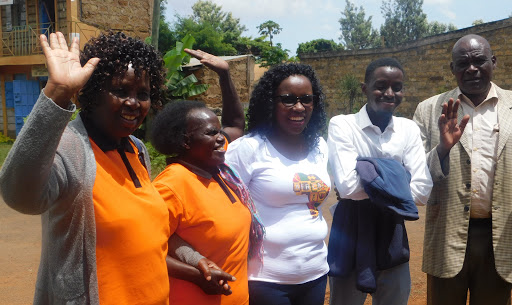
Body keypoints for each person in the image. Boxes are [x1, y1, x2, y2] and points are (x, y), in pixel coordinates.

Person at [0, 31, 222, 305]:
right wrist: (58, 93)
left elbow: (147, 232)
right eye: (120, 91)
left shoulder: (136, 149)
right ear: (93, 93)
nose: (134, 103)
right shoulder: (70, 146)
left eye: (143, 94)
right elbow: (19, 195)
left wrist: (194, 258)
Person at [151, 49, 264, 305]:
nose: (221, 138)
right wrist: (197, 275)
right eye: (211, 133)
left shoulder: (218, 172)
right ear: (185, 142)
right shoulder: (172, 184)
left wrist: (224, 75)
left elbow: (235, 124)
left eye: (219, 131)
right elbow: (148, 248)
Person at [413, 34, 512, 305]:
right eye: (463, 63)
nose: (472, 68)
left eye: (479, 61)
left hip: (502, 236)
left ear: (493, 61)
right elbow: (416, 177)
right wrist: (442, 150)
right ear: (452, 68)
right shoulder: (428, 110)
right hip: (446, 235)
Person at [327, 57, 433, 305]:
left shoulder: (408, 129)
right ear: (365, 88)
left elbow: (422, 191)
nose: (389, 93)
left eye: (397, 87)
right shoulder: (343, 125)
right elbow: (347, 186)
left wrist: (367, 170)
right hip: (350, 233)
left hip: (391, 236)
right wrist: (399, 174)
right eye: (380, 85)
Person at [224, 63, 330, 305]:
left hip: (315, 271)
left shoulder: (320, 147)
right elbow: (224, 205)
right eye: (288, 99)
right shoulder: (249, 148)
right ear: (270, 102)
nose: (299, 107)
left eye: (306, 99)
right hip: (266, 278)